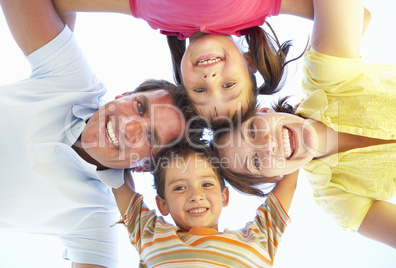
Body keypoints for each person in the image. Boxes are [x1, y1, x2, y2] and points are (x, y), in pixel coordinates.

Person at [0, 0, 190, 267]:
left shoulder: (96, 218)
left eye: (149, 138)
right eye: (139, 107)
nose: (128, 127)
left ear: (144, 167)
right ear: (124, 95)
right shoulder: (72, 82)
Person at [214, 0, 396, 251]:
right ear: (274, 178)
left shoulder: (324, 78)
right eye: (256, 162)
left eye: (251, 131)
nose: (267, 144)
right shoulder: (336, 198)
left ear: (264, 111)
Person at [52, 0, 317, 123]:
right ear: (249, 63)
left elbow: (58, 4)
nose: (211, 80)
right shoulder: (259, 7)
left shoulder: (149, 12)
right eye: (229, 86)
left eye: (199, 91)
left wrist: (59, 68)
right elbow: (356, 20)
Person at [111, 140, 299, 267]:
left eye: (207, 184)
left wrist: (296, 130)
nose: (196, 195)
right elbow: (118, 182)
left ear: (224, 196)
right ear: (163, 204)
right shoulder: (151, 235)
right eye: (179, 188)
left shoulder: (258, 239)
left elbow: (288, 183)